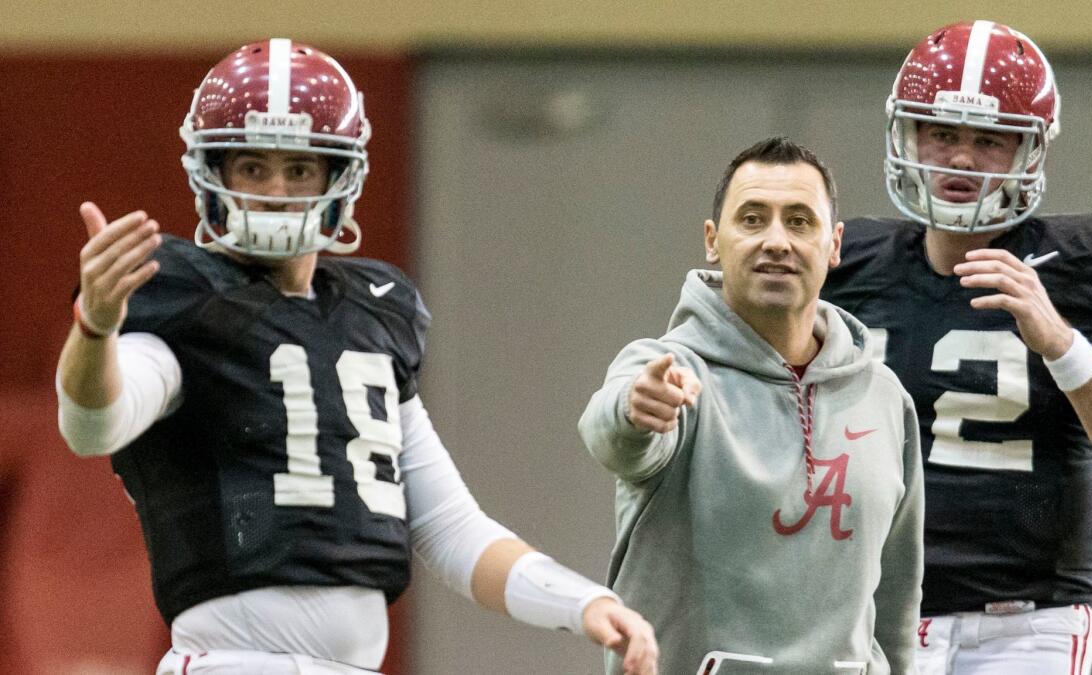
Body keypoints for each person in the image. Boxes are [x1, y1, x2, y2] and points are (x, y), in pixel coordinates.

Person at [55, 38, 658, 675]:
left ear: (338, 178)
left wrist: (580, 601)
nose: (276, 190)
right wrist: (95, 329)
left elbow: (453, 529)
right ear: (215, 174)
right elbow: (94, 424)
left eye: (299, 169)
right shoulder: (184, 297)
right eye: (253, 168)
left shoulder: (370, 314)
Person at [820, 20, 1092, 675]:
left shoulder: (1087, 268)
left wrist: (1062, 344)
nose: (961, 159)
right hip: (868, 612)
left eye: (989, 140)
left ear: (1031, 151)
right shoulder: (845, 265)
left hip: (1025, 625)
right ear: (907, 135)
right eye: (942, 133)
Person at [579, 137, 924, 674]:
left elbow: (898, 598)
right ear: (714, 241)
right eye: (753, 218)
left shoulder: (884, 396)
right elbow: (614, 437)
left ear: (834, 246)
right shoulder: (669, 369)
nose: (777, 241)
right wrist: (634, 411)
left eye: (800, 221)